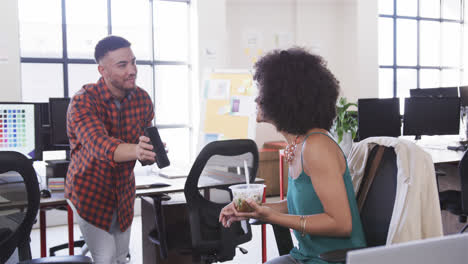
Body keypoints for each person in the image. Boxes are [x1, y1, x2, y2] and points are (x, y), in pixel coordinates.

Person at [219, 47, 366, 264]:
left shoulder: (317, 147)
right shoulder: (299, 145)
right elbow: (297, 205)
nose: (257, 100)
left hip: (330, 260)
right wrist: (254, 210)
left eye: (262, 92)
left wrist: (272, 216)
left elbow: (342, 224)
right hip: (306, 256)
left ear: (284, 98)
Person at [65, 35, 158, 264]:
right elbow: (100, 145)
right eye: (122, 65)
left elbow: (143, 149)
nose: (132, 70)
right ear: (102, 70)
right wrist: (137, 150)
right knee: (105, 257)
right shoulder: (83, 102)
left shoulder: (142, 99)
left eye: (133, 62)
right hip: (89, 192)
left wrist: (149, 151)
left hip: (123, 194)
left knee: (119, 256)